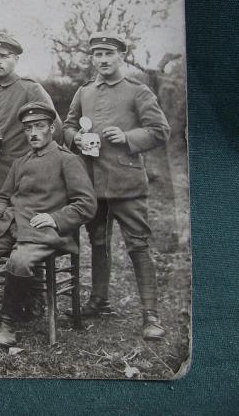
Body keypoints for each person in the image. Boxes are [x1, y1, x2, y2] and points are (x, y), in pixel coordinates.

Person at [0, 102, 96, 348]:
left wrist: (55, 218)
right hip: (10, 225)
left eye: (39, 126)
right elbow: (4, 196)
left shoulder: (67, 160)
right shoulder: (20, 162)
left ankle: (8, 325)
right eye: (28, 128)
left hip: (43, 231)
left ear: (52, 128)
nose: (33, 133)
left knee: (20, 261)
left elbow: (86, 204)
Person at [63, 32, 171, 340]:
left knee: (138, 244)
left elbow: (160, 131)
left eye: (109, 53)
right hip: (92, 183)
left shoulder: (137, 91)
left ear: (121, 56)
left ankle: (150, 314)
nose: (103, 59)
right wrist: (75, 139)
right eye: (97, 54)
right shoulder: (84, 92)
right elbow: (67, 126)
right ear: (92, 59)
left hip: (126, 182)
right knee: (97, 240)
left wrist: (128, 138)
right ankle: (99, 300)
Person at [0, 32, 62, 196]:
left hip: (21, 177)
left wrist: (34, 162)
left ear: (16, 59)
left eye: (4, 56)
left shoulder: (31, 89)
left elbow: (56, 132)